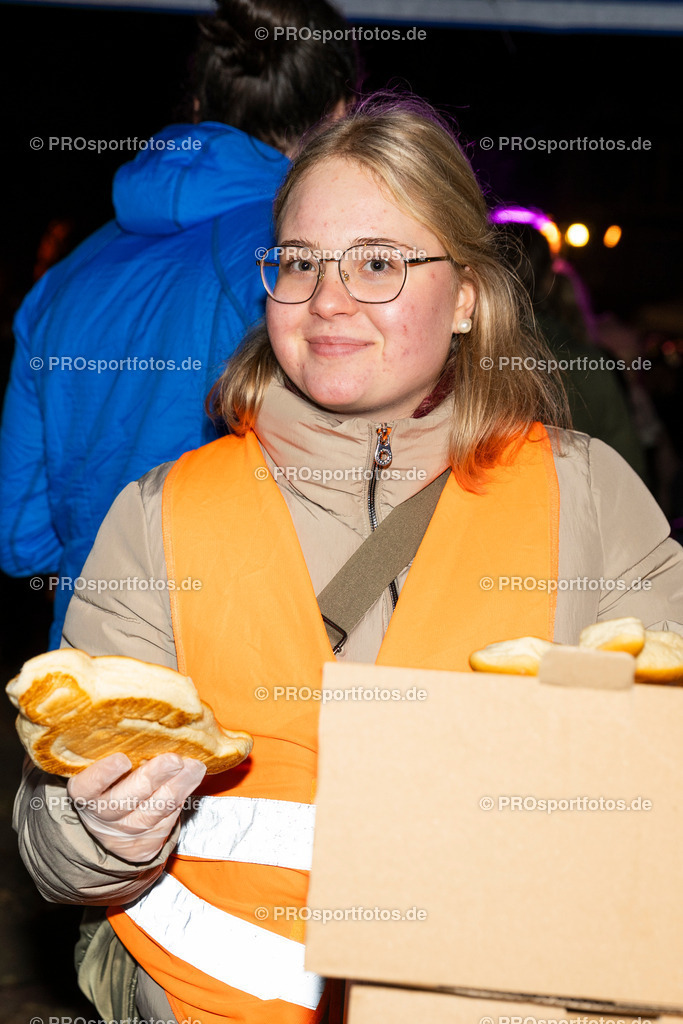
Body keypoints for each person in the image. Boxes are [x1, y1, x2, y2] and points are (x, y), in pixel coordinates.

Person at [13, 96, 683, 1024]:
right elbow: (52, 838)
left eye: (377, 263)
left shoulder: (588, 496)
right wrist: (99, 827)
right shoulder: (162, 514)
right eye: (298, 263)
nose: (326, 300)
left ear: (469, 300)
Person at [0, 0, 358, 649]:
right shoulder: (307, 261)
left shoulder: (64, 281)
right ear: (338, 112)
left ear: (197, 104)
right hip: (253, 665)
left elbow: (22, 537)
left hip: (89, 673)